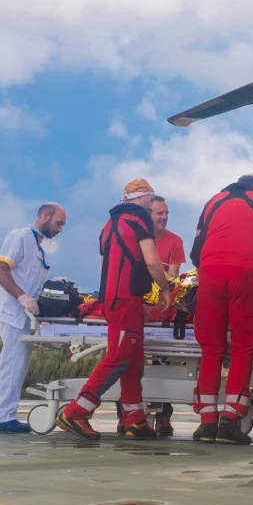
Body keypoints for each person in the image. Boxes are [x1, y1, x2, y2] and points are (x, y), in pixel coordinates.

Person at [55, 179, 172, 440]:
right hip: (126, 298)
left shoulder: (108, 226)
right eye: (151, 199)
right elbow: (152, 262)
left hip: (114, 297)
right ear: (143, 198)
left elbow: (104, 268)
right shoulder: (140, 219)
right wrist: (164, 290)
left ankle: (134, 417)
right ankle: (76, 411)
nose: (152, 204)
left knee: (132, 356)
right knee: (120, 357)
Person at [191, 174, 253, 445]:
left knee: (211, 347)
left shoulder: (213, 201)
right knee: (243, 345)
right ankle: (231, 419)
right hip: (246, 271)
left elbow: (196, 251)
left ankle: (207, 422)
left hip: (210, 271)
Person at [0, 203, 66, 433]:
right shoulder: (20, 237)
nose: (60, 229)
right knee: (12, 363)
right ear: (45, 216)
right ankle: (2, 418)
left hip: (26, 314)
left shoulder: (39, 246)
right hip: (14, 311)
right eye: (58, 223)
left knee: (18, 365)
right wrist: (21, 296)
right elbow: (0, 270)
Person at [144, 194, 186, 436]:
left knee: (164, 362)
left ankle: (163, 416)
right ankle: (126, 414)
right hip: (140, 305)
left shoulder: (175, 241)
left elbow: (173, 278)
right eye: (160, 213)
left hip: (163, 308)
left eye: (166, 213)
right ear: (148, 214)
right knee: (129, 362)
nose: (164, 217)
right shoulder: (138, 239)